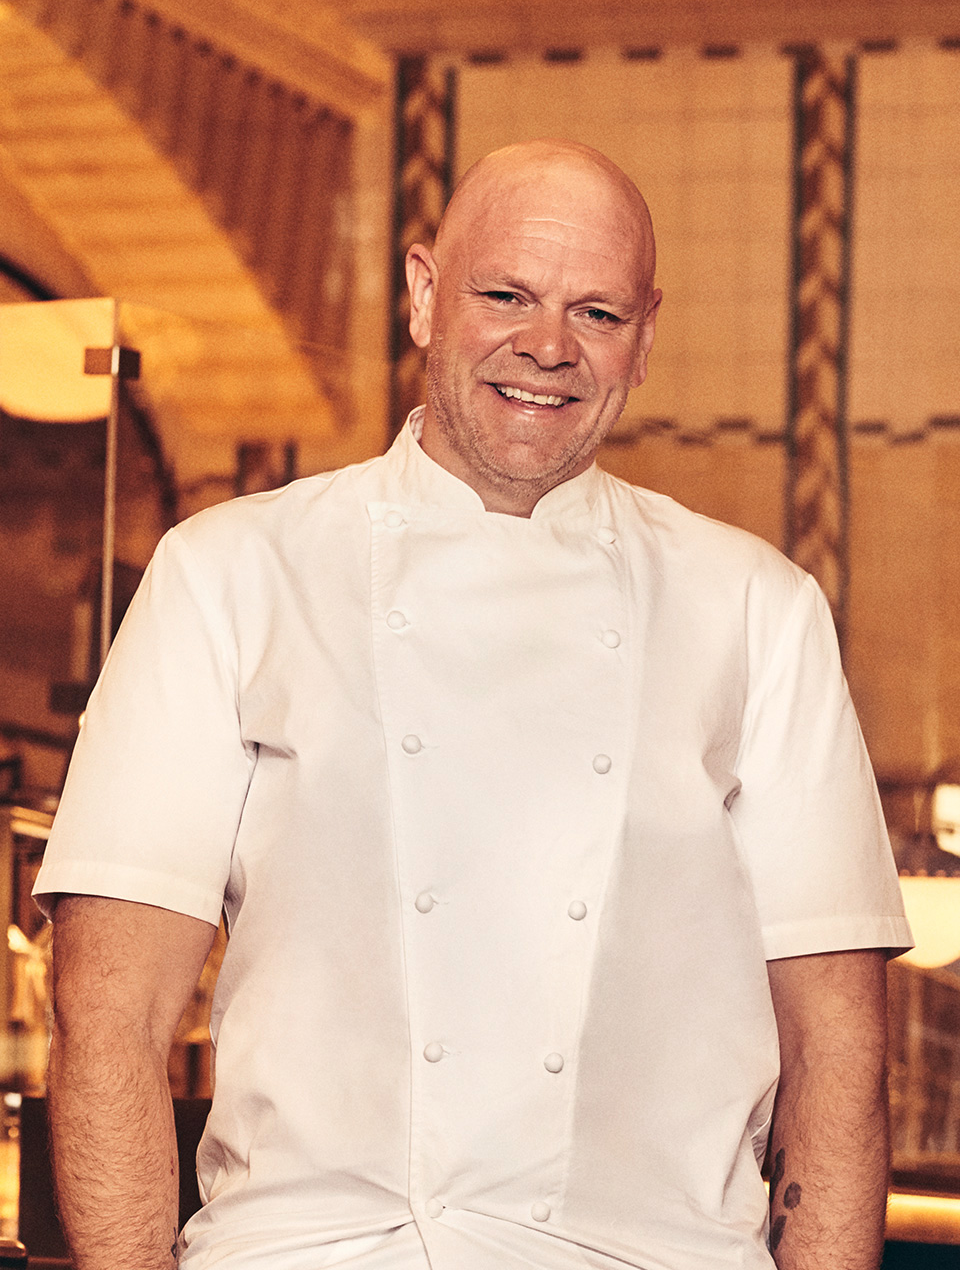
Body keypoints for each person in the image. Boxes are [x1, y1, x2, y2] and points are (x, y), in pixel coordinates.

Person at [35, 139, 911, 1270]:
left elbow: (838, 1046)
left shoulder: (759, 608)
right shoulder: (229, 573)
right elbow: (109, 1011)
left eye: (597, 312)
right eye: (506, 295)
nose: (547, 346)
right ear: (421, 295)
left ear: (644, 340)